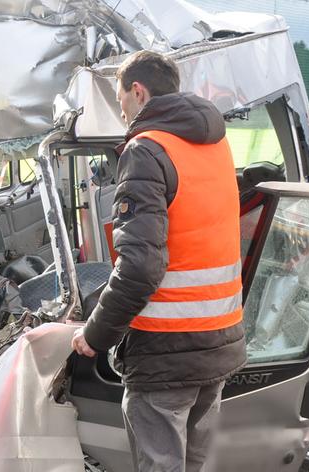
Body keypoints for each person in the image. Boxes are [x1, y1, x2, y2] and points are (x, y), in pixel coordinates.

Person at [71, 51, 246, 472]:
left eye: (119, 99)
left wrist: (94, 334)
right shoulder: (215, 142)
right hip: (219, 341)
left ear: (138, 91)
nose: (121, 109)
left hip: (166, 349)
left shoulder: (146, 149)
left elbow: (139, 268)